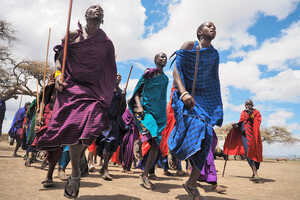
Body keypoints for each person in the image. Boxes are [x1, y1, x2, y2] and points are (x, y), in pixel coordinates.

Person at [37, 4, 117, 199]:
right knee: (74, 130)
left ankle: (76, 166)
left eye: (100, 10)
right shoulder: (72, 36)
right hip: (71, 87)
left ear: (102, 18)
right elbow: (59, 58)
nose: (97, 10)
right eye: (93, 8)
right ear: (86, 15)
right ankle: (75, 173)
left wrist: (108, 88)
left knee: (91, 126)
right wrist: (58, 76)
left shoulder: (106, 44)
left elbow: (109, 68)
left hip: (94, 91)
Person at [168, 21, 223, 200]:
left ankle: (191, 182)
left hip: (204, 101)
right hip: (185, 95)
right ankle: (172, 151)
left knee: (206, 137)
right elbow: (176, 71)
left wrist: (214, 106)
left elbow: (213, 81)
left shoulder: (214, 54)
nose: (213, 28)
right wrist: (183, 93)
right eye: (209, 26)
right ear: (199, 31)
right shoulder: (189, 46)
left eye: (214, 26)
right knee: (194, 128)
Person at [129, 52, 169, 190]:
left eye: (165, 57)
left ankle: (145, 174)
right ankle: (142, 168)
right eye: (161, 56)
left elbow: (163, 97)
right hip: (146, 112)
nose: (163, 58)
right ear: (155, 60)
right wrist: (139, 106)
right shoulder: (148, 73)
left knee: (156, 145)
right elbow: (137, 92)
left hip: (160, 114)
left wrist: (164, 115)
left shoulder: (165, 79)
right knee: (152, 135)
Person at [95, 73, 127, 181]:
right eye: (116, 75)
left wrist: (124, 98)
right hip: (105, 121)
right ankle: (104, 168)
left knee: (112, 144)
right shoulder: (106, 89)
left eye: (120, 76)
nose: (118, 77)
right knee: (104, 144)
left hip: (115, 122)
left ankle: (105, 167)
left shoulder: (121, 92)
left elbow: (122, 109)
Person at [225, 99, 262, 181]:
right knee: (248, 153)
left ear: (252, 105)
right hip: (244, 136)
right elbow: (241, 122)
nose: (247, 106)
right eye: (246, 104)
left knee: (255, 153)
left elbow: (256, 122)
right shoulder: (243, 113)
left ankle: (254, 170)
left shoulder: (256, 112)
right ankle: (255, 173)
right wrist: (236, 125)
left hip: (253, 136)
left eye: (249, 104)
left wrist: (251, 115)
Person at [120, 108, 140, 173]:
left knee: (127, 149)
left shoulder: (127, 111)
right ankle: (126, 168)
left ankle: (125, 167)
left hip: (128, 132)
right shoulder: (130, 111)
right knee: (129, 149)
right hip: (130, 132)